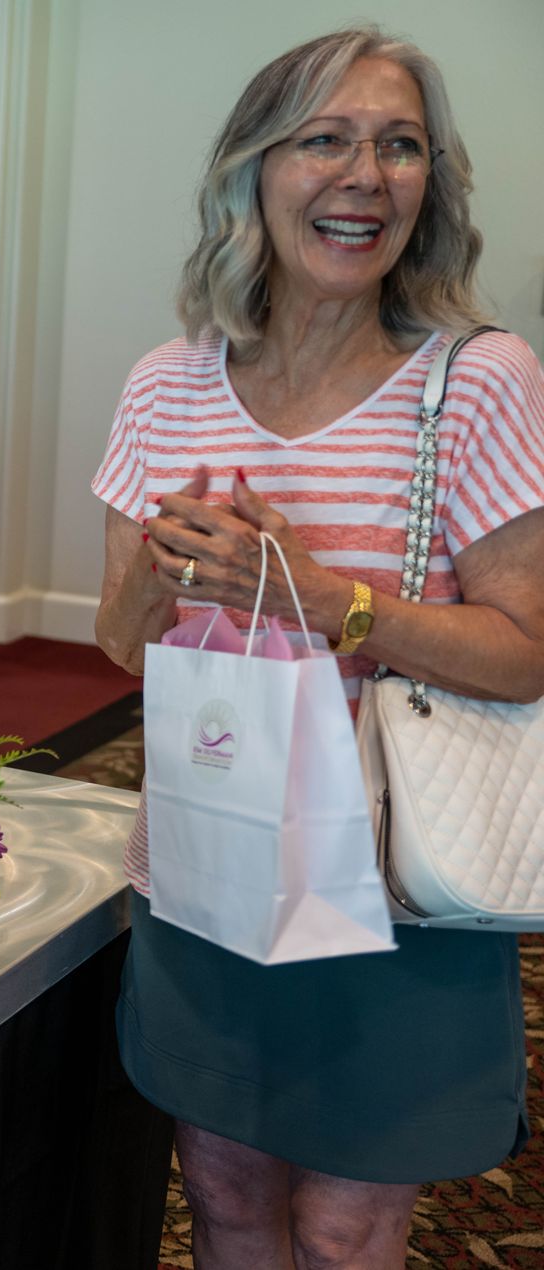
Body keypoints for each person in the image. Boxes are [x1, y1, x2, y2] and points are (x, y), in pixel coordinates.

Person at [91, 27, 544, 1267]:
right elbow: (119, 641)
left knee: (345, 1231)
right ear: (253, 172)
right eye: (326, 140)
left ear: (430, 189)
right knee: (228, 1198)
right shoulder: (165, 384)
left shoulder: (481, 379)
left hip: (390, 878)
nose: (367, 175)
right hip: (206, 854)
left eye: (401, 146)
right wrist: (163, 561)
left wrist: (317, 595)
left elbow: (527, 653)